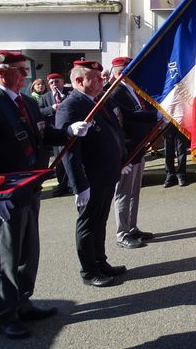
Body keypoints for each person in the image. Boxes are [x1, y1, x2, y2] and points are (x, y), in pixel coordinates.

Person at [0, 50, 90, 339]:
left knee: (28, 253)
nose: (25, 74)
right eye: (19, 69)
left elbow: (41, 136)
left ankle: (23, 302)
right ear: (0, 73)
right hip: (6, 195)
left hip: (30, 190)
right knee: (5, 258)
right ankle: (5, 316)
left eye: (25, 69)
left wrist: (68, 131)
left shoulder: (27, 103)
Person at [55, 60, 129, 288]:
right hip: (90, 178)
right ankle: (89, 271)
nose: (101, 80)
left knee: (100, 221)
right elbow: (68, 151)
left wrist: (119, 161)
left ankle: (100, 262)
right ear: (79, 81)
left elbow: (114, 132)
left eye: (101, 76)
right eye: (95, 78)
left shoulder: (96, 100)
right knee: (88, 224)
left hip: (106, 174)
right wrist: (79, 185)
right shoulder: (71, 105)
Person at [107, 56, 158, 250]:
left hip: (139, 148)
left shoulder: (133, 89)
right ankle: (122, 233)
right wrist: (156, 116)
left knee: (134, 192)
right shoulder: (115, 92)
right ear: (121, 72)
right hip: (127, 150)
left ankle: (132, 227)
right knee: (123, 193)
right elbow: (128, 117)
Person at [40, 73, 72, 197]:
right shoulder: (45, 97)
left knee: (72, 158)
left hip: (70, 130)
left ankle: (73, 184)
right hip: (55, 132)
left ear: (62, 82)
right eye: (52, 83)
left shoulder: (70, 92)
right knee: (59, 161)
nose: (55, 84)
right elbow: (39, 111)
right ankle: (62, 185)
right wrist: (51, 108)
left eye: (57, 81)